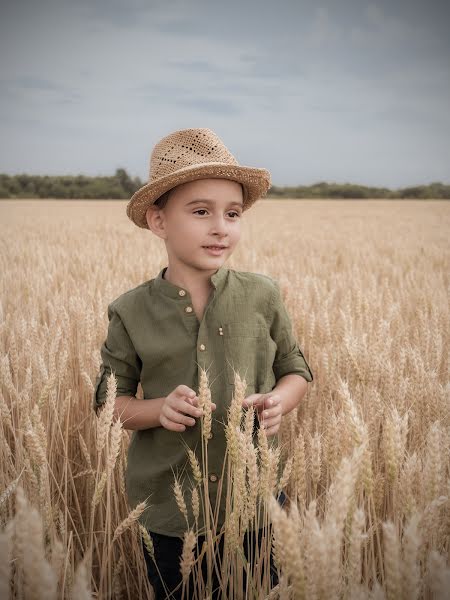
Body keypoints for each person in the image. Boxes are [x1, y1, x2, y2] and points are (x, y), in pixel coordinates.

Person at [92, 127, 314, 599]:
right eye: (200, 212)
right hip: (170, 514)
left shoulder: (263, 295)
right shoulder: (129, 311)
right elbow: (109, 403)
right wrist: (157, 411)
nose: (221, 227)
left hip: (256, 502)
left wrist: (280, 399)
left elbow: (296, 368)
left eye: (233, 214)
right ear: (158, 221)